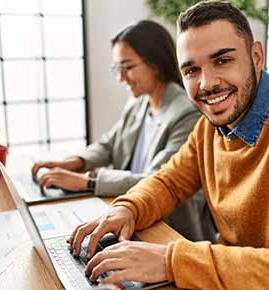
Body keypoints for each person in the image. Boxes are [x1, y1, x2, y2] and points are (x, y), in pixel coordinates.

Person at [67, 1, 269, 290]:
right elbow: (168, 182)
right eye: (192, 70)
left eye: (222, 61)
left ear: (256, 56)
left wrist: (171, 261)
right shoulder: (210, 128)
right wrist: (128, 208)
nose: (207, 83)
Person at [31, 20, 215, 242]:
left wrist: (87, 181)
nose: (121, 78)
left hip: (170, 230)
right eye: (117, 68)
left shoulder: (187, 113)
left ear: (155, 63)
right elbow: (109, 144)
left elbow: (156, 182)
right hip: (129, 213)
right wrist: (74, 162)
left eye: (127, 67)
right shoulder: (139, 103)